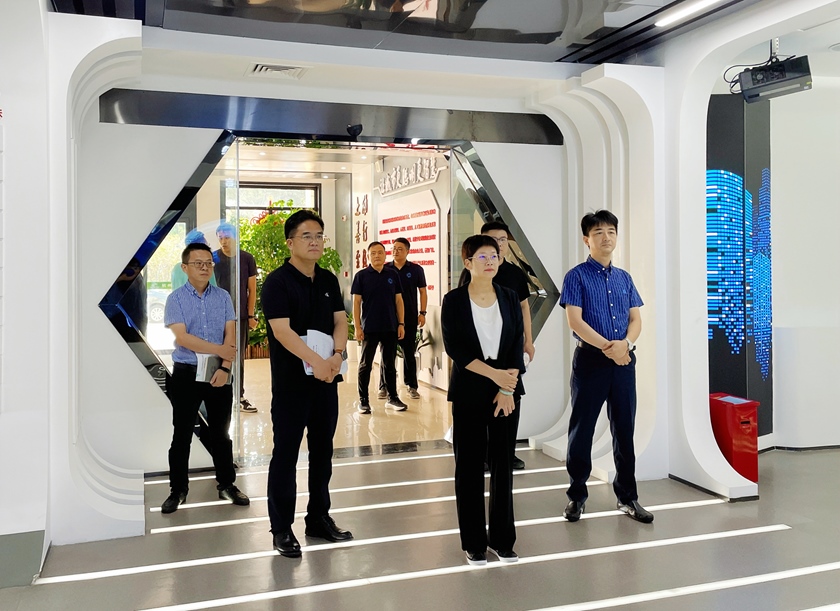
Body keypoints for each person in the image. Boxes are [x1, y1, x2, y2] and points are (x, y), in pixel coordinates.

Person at [261, 210, 353, 558]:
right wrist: (318, 361)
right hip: (292, 385)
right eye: (306, 236)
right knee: (285, 454)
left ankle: (318, 519)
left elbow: (340, 322)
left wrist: (337, 356)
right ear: (290, 242)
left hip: (326, 381)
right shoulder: (277, 282)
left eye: (319, 235)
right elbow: (281, 331)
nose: (315, 242)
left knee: (323, 451)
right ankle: (281, 528)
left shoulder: (328, 279)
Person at [559, 209, 653, 524]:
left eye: (611, 231)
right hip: (590, 361)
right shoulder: (576, 276)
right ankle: (576, 496)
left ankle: (628, 498)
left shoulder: (624, 278)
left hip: (624, 361)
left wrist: (625, 345)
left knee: (624, 430)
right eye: (598, 232)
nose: (606, 237)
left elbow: (636, 319)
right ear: (586, 240)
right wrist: (609, 348)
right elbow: (575, 321)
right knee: (582, 430)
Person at [441, 235, 525, 566]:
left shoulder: (509, 296)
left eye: (494, 256)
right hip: (470, 389)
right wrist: (495, 377)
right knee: (469, 465)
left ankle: (503, 540)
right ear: (467, 262)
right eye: (482, 256)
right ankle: (474, 542)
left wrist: (507, 388)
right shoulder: (454, 300)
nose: (490, 261)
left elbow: (516, 342)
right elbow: (456, 349)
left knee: (503, 465)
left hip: (506, 392)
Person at [160, 242, 250, 514]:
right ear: (185, 267)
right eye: (197, 263)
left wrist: (225, 367)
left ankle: (227, 485)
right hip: (186, 373)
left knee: (221, 434)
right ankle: (178, 490)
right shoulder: (175, 299)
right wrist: (220, 350)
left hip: (217, 373)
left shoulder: (223, 297)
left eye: (208, 263)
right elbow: (183, 338)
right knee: (182, 434)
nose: (204, 267)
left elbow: (230, 335)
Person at [352, 241, 408, 413]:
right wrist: (357, 327)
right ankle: (363, 401)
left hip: (390, 326)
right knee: (365, 365)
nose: (377, 256)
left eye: (380, 253)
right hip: (369, 327)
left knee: (389, 364)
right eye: (373, 253)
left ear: (385, 255)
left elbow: (399, 301)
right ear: (368, 256)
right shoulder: (361, 276)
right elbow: (356, 303)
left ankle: (393, 398)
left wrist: (401, 323)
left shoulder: (392, 274)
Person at [213, 222, 259, 413]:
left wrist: (250, 315)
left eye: (227, 237)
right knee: (218, 354)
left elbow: (252, 290)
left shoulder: (246, 258)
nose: (223, 241)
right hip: (217, 316)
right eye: (220, 238)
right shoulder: (214, 258)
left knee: (238, 357)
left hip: (239, 317)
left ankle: (239, 396)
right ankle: (217, 393)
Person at [378, 237, 427, 401]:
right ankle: (384, 386)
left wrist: (423, 313)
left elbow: (423, 292)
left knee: (409, 353)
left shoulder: (416, 270)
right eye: (394, 248)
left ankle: (412, 386)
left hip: (410, 318)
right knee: (387, 354)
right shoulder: (385, 269)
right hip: (388, 318)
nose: (395, 251)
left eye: (400, 249)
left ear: (407, 251)